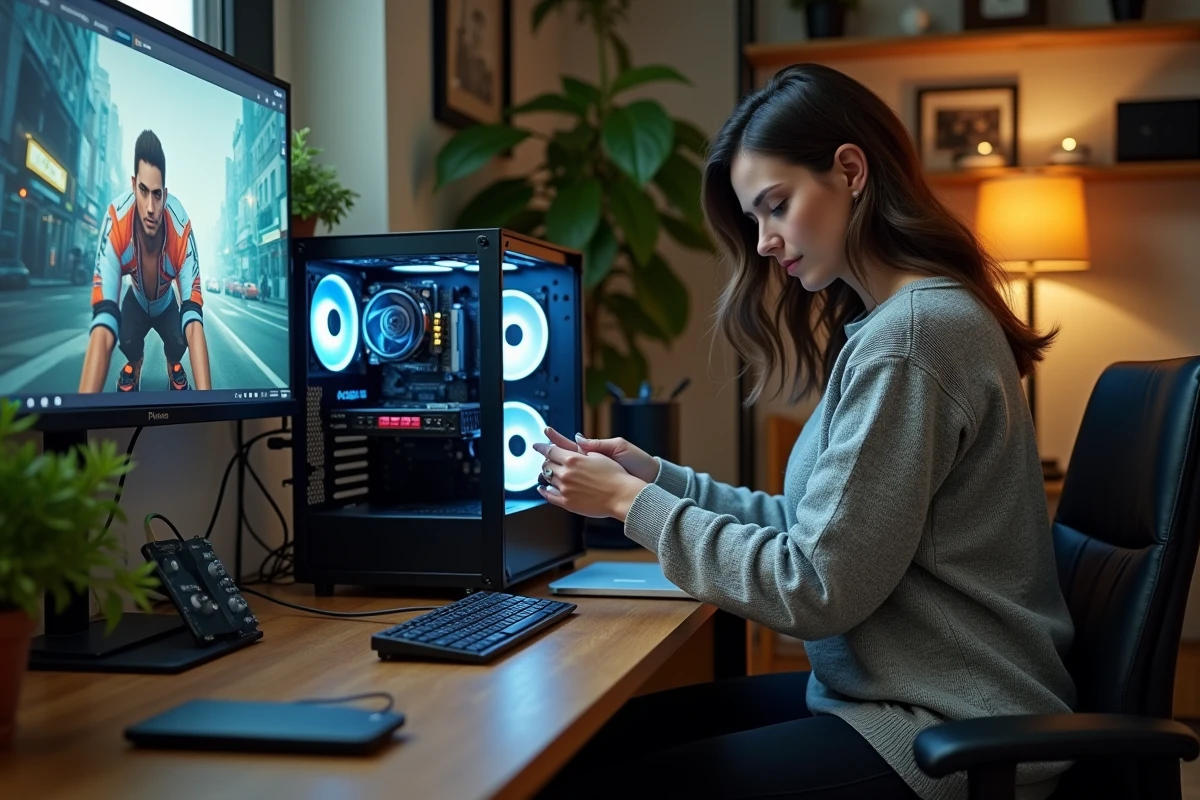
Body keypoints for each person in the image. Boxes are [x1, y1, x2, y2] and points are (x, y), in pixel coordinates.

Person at [532, 63, 1075, 800]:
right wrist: (659, 478)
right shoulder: (893, 328)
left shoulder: (912, 339)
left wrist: (632, 506)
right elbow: (815, 531)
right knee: (591, 745)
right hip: (889, 703)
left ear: (850, 170)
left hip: (948, 731)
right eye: (754, 219)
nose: (762, 242)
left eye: (775, 206)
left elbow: (814, 586)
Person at [79, 129, 211, 392]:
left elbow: (194, 322)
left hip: (165, 305)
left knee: (179, 340)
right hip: (136, 301)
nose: (150, 207)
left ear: (165, 192)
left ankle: (173, 362)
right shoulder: (116, 220)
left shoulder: (181, 227)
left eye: (157, 194)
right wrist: (77, 418)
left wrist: (212, 411)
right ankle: (135, 361)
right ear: (132, 185)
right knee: (124, 338)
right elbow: (102, 324)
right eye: (143, 191)